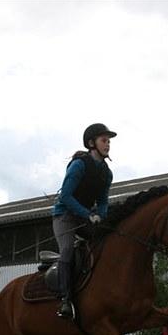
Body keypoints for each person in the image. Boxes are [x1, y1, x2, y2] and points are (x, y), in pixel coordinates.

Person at [52, 123, 115, 320]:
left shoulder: (107, 173)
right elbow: (66, 197)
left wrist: (101, 218)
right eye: (104, 140)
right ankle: (65, 299)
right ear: (91, 143)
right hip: (64, 216)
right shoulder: (79, 165)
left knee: (105, 242)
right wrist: (88, 214)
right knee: (68, 250)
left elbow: (103, 202)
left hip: (84, 215)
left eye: (109, 141)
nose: (108, 145)